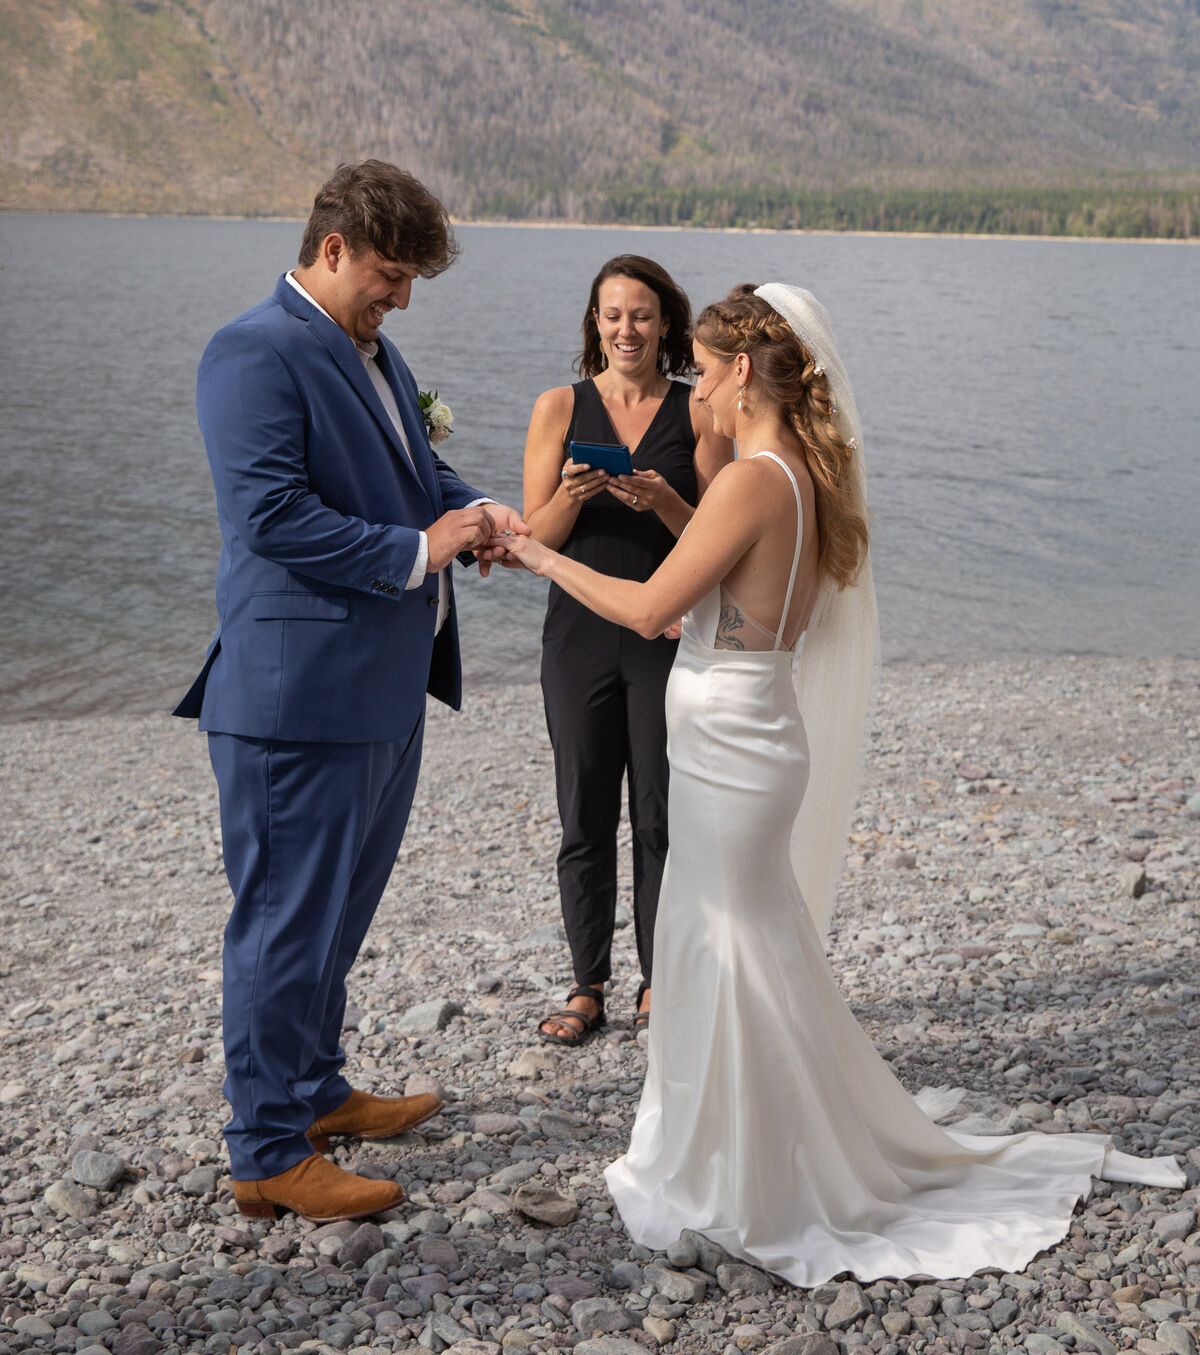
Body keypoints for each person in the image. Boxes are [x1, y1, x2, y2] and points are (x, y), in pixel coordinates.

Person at [505, 282, 1182, 1283]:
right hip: (750, 732)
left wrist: (531, 552)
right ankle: (757, 1141)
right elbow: (741, 594)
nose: (696, 391)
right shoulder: (789, 475)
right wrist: (675, 504)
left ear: (740, 372)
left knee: (730, 944)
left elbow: (652, 610)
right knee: (737, 940)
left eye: (704, 368)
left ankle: (751, 1171)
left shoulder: (753, 477)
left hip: (732, 745)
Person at [174, 160, 526, 1223]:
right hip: (297, 700)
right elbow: (272, 517)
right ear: (331, 249)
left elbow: (413, 472)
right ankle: (267, 1150)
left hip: (380, 692)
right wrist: (423, 549)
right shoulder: (252, 352)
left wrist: (478, 513)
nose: (402, 296)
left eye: (413, 278)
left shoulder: (368, 348)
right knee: (284, 921)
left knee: (335, 916)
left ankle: (317, 1089)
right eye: (389, 273)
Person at [524, 256, 731, 1045]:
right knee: (582, 813)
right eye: (612, 315)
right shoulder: (557, 408)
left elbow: (718, 539)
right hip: (576, 638)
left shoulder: (699, 414)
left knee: (658, 815)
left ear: (665, 324)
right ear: (594, 323)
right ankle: (587, 985)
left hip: (665, 635)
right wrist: (569, 500)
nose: (626, 330)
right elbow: (530, 540)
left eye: (641, 315)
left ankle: (660, 978)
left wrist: (667, 498)